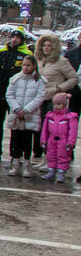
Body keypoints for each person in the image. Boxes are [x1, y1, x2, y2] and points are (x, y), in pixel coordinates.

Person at [0, 30, 32, 161]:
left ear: (22, 40)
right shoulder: (1, 53)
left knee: (15, 125)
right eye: (13, 37)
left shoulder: (26, 54)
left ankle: (15, 153)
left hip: (16, 95)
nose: (14, 39)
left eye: (17, 37)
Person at [33, 34, 78, 170]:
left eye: (49, 45)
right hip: (39, 98)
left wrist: (60, 88)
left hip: (54, 101)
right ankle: (44, 158)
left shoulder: (62, 61)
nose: (46, 48)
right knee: (41, 130)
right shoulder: (39, 60)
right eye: (44, 45)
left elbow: (74, 78)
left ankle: (51, 160)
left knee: (54, 132)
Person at [5, 56, 47, 177]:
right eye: (23, 65)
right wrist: (17, 108)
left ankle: (26, 164)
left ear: (34, 66)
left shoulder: (39, 81)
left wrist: (26, 110)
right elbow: (9, 95)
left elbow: (39, 97)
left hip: (30, 116)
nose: (25, 67)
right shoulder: (15, 79)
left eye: (28, 65)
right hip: (16, 115)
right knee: (16, 139)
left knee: (27, 140)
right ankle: (15, 162)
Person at [39, 92, 76, 183]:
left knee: (63, 156)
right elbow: (45, 129)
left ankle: (61, 173)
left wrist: (71, 142)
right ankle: (51, 171)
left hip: (64, 140)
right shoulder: (50, 116)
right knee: (51, 155)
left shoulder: (70, 117)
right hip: (51, 139)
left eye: (59, 104)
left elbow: (73, 131)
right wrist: (43, 139)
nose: (56, 106)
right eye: (54, 104)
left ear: (64, 104)